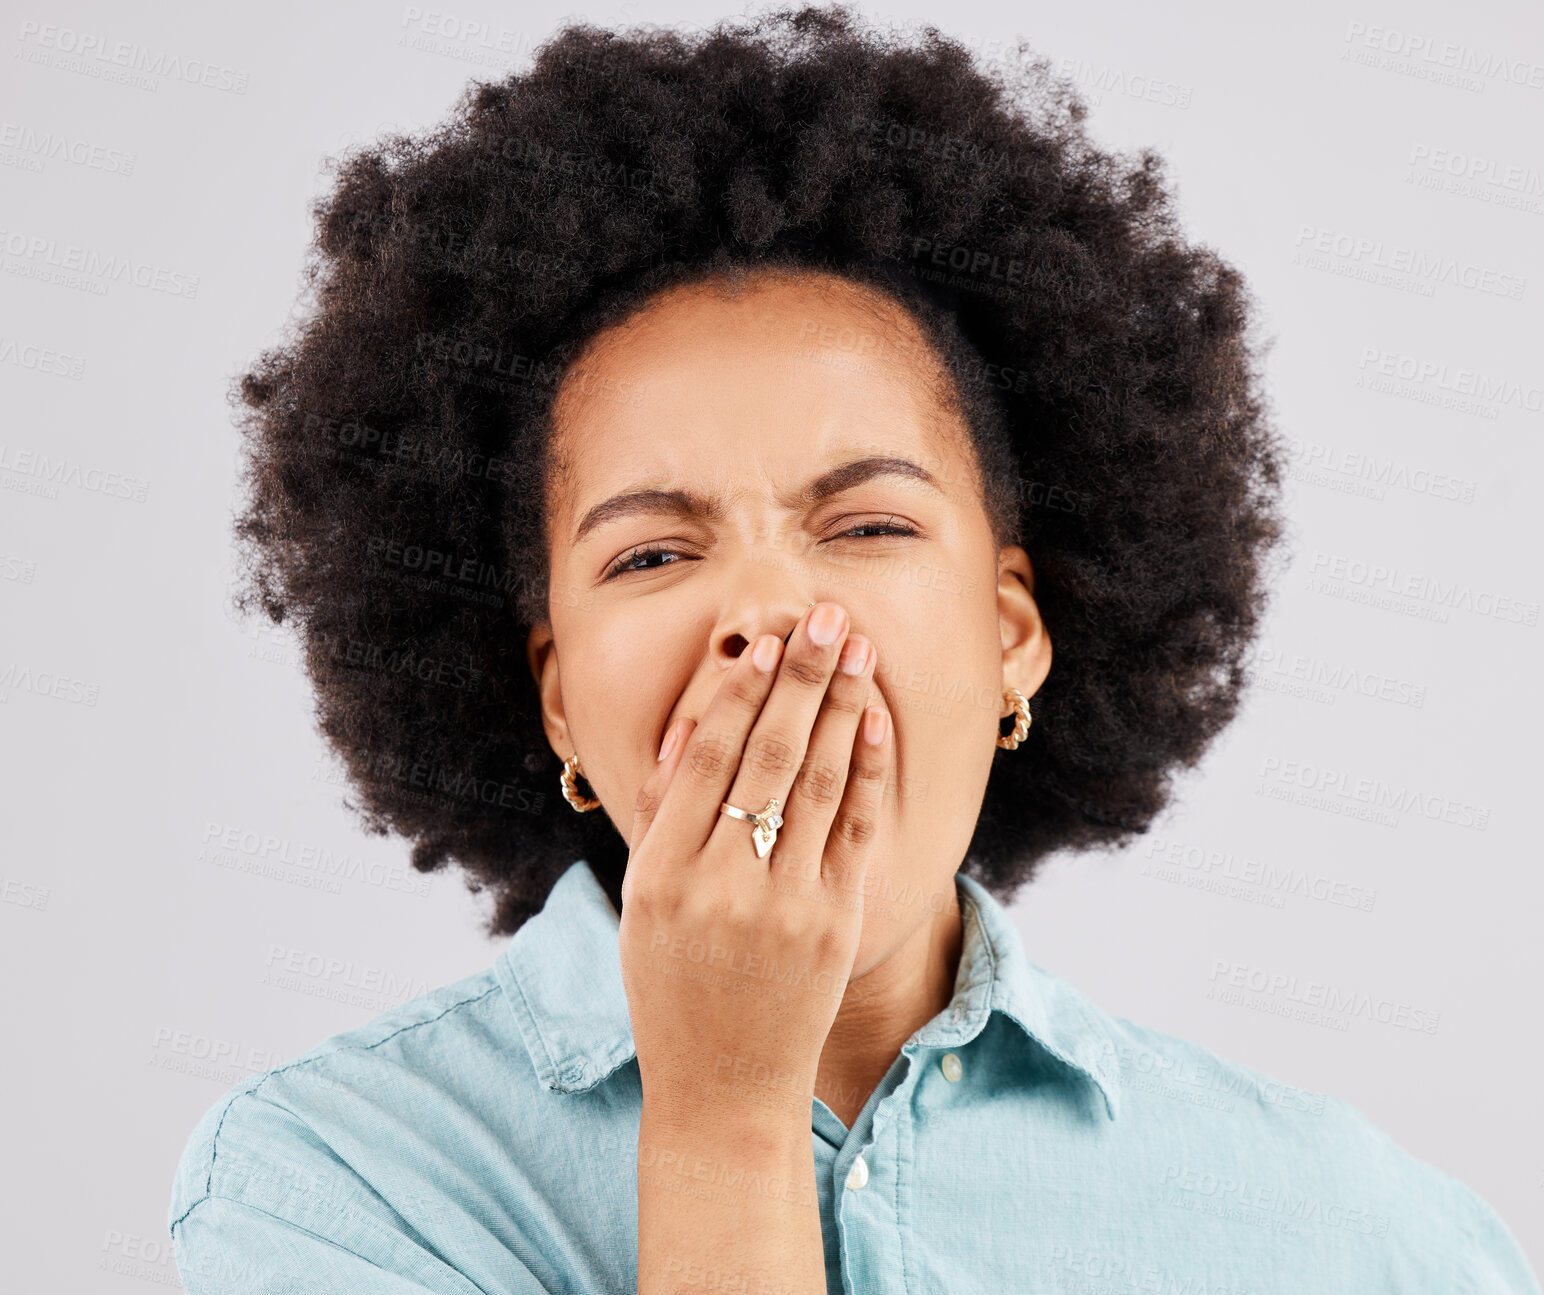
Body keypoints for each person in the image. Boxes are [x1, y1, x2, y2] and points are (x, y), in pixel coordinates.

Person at [168, 6, 1540, 1292]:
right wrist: (721, 1113)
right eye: (651, 552)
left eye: (867, 525)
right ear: (560, 706)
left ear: (1013, 638)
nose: (766, 612)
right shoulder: (333, 1183)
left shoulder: (1357, 1237)